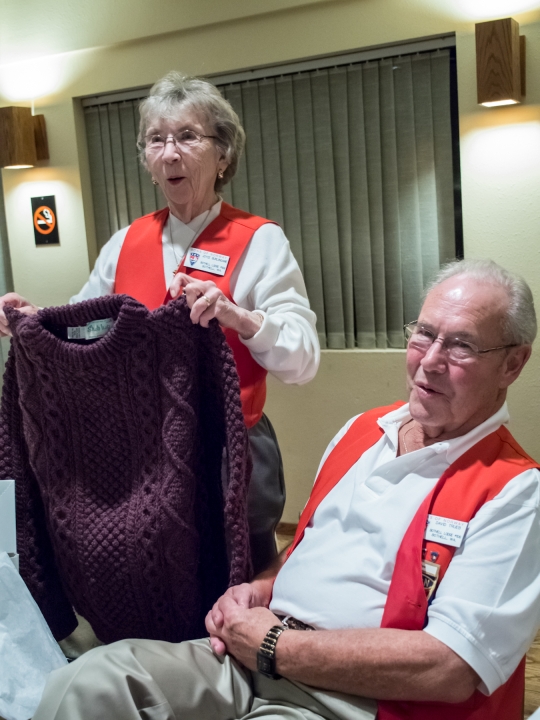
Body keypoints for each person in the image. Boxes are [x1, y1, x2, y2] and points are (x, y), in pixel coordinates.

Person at [32, 258, 540, 720]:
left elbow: (449, 668)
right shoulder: (363, 431)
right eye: (424, 334)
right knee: (89, 683)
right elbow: (304, 552)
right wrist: (260, 588)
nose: (430, 360)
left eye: (462, 345)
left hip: (355, 699)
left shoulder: (515, 491)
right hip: (253, 660)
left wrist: (276, 646)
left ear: (513, 364)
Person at [0, 72, 320, 575]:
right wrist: (37, 320)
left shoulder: (258, 240)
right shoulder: (125, 242)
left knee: (240, 583)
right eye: (156, 140)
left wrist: (238, 317)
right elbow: (87, 326)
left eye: (188, 137)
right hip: (139, 456)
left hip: (230, 453)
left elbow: (302, 361)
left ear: (223, 156)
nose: (169, 153)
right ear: (147, 162)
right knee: (159, 581)